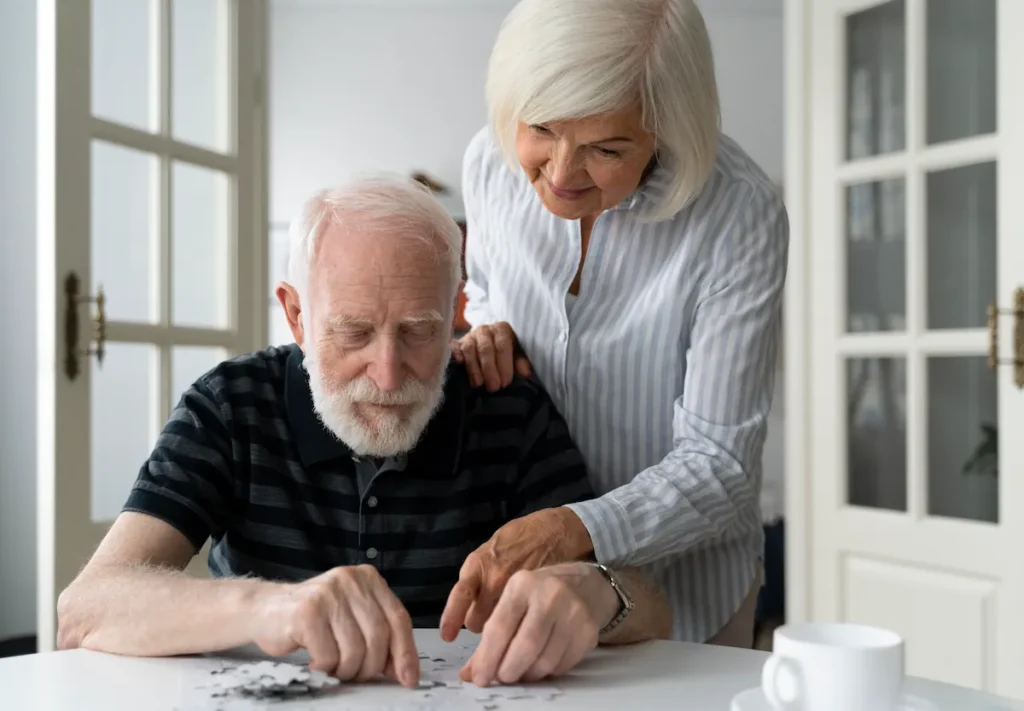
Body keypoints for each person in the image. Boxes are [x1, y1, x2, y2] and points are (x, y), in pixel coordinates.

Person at [56, 176, 672, 689]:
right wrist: (273, 606)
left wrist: (597, 594)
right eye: (353, 333)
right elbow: (86, 608)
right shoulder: (230, 405)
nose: (386, 373)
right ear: (296, 314)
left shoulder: (510, 411)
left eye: (419, 331)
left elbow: (652, 604)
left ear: (459, 308)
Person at [443, 0, 789, 649]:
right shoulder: (487, 164)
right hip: (534, 579)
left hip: (691, 584)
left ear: (667, 129)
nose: (563, 173)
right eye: (540, 128)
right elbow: (486, 287)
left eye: (606, 147)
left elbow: (722, 463)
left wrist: (573, 527)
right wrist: (487, 328)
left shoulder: (741, 214)